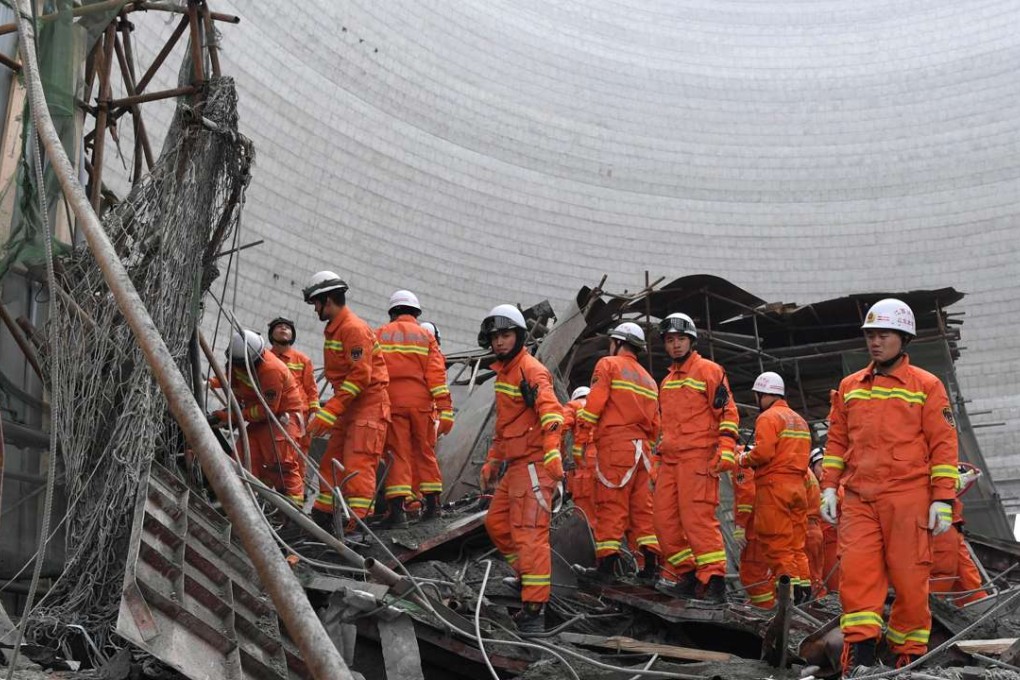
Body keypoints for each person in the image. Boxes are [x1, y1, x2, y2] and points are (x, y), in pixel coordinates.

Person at [821, 298, 959, 673]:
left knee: (911, 581)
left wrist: (942, 498)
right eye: (871, 335)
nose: (875, 342)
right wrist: (829, 487)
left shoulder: (927, 386)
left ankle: (908, 656)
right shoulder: (850, 386)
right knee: (857, 576)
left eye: (883, 335)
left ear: (903, 338)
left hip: (908, 497)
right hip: (859, 498)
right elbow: (836, 442)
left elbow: (944, 445)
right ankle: (859, 657)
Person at [478, 304, 564, 633]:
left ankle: (534, 610)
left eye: (505, 335)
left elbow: (552, 414)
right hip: (516, 466)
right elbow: (506, 426)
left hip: (534, 466)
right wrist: (493, 461)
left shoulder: (531, 371)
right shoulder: (506, 373)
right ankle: (527, 579)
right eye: (495, 337)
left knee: (530, 536)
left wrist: (552, 453)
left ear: (519, 336)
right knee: (497, 524)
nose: (499, 342)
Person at [654, 312, 739, 605]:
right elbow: (664, 427)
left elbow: (728, 412)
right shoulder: (666, 382)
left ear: (691, 341)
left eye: (681, 339)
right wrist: (658, 459)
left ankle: (714, 583)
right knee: (663, 522)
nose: (675, 345)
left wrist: (726, 448)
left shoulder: (709, 371)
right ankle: (687, 575)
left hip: (699, 459)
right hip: (670, 462)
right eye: (670, 340)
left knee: (698, 522)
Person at [303, 271, 390, 533]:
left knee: (358, 465)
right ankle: (324, 514)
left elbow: (360, 376)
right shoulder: (337, 329)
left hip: (368, 406)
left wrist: (331, 411)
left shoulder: (353, 329)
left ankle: (360, 526)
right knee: (332, 460)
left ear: (327, 300)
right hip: (350, 405)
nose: (315, 309)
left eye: (316, 303)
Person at [574, 323, 661, 584]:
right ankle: (650, 569)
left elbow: (593, 406)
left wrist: (581, 439)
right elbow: (656, 425)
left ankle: (606, 569)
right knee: (642, 511)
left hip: (617, 447)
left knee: (611, 506)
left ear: (618, 343)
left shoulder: (608, 365)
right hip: (643, 451)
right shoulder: (649, 380)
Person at [376, 291, 453, 526]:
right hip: (422, 405)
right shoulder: (426, 336)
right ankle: (432, 506)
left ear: (392, 312)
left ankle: (397, 512)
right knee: (425, 452)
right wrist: (444, 408)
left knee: (398, 454)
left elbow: (373, 373)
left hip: (393, 404)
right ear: (416, 313)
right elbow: (436, 375)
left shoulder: (380, 334)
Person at [737, 371, 812, 604]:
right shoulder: (799, 420)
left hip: (774, 486)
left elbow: (763, 453)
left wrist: (743, 459)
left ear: (763, 394)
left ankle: (789, 595)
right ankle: (804, 589)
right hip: (798, 487)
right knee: (796, 544)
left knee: (776, 543)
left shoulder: (768, 418)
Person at [208, 330, 305, 503]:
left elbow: (268, 409)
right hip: (259, 418)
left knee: (280, 464)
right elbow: (231, 380)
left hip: (282, 419)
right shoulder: (238, 361)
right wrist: (211, 383)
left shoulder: (272, 370)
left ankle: (293, 509)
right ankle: (242, 501)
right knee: (242, 457)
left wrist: (234, 416)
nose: (238, 368)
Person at [267, 316, 319, 480]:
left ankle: (295, 492)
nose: (283, 328)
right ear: (271, 334)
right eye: (279, 326)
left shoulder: (303, 360)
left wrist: (314, 412)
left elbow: (311, 389)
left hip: (298, 417)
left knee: (297, 457)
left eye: (287, 327)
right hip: (270, 414)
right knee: (270, 456)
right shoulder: (263, 357)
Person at [930, 465, 988, 606]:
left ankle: (981, 608)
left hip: (950, 527)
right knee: (942, 575)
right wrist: (962, 478)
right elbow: (933, 485)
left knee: (966, 575)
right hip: (939, 526)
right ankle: (927, 610)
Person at [732, 460, 775, 609]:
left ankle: (765, 608)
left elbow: (746, 493)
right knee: (763, 575)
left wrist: (740, 525)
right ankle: (762, 604)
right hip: (764, 525)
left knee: (753, 576)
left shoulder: (741, 464)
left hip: (754, 529)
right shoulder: (751, 461)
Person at [561, 385, 597, 525]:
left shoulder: (574, 405)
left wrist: (561, 456)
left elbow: (560, 428)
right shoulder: (602, 407)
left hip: (587, 462)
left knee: (585, 511)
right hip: (608, 461)